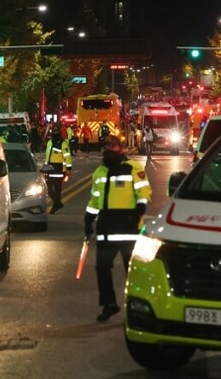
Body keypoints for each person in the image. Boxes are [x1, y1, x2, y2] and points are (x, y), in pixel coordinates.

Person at [83, 135, 152, 322]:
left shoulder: (132, 168)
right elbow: (95, 199)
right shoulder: (100, 172)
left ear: (120, 148)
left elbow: (144, 191)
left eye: (112, 146)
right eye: (105, 147)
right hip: (106, 228)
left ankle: (138, 307)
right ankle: (109, 304)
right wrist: (88, 219)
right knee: (102, 268)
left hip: (128, 227)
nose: (108, 149)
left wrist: (139, 208)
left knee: (133, 271)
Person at [44, 126, 72, 214]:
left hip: (59, 170)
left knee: (57, 190)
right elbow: (47, 156)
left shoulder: (63, 144)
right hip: (50, 169)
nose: (54, 135)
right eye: (53, 133)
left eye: (56, 133)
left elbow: (67, 157)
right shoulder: (49, 142)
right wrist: (45, 168)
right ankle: (58, 203)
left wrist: (68, 169)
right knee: (48, 189)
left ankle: (55, 206)